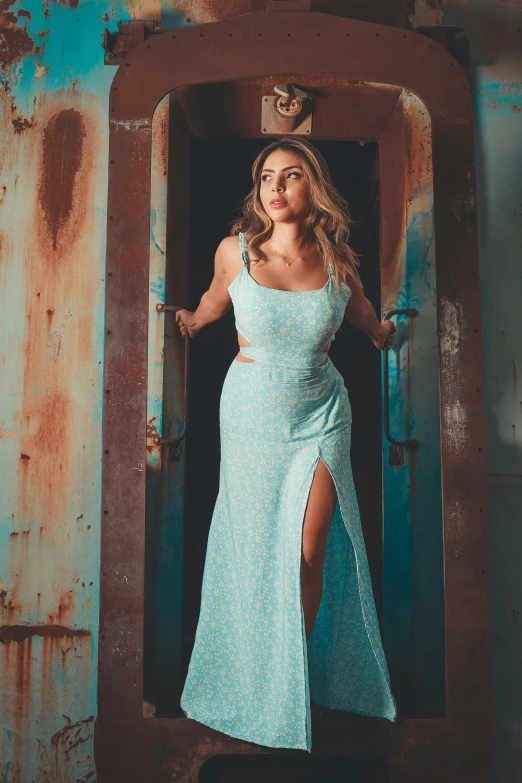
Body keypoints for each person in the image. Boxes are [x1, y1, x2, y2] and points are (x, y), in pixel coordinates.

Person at [176, 137, 397, 752]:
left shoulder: (336, 260)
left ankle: (289, 674)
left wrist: (383, 332)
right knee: (255, 547)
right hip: (250, 410)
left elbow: (360, 315)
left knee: (309, 546)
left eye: (291, 175)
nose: (276, 187)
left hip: (323, 410)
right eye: (267, 176)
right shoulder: (237, 252)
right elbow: (216, 302)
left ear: (313, 188)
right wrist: (192, 321)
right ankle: (255, 681)